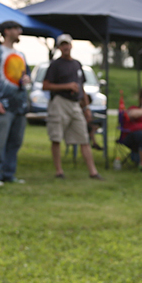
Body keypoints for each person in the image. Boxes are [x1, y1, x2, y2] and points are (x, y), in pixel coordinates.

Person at [43, 33, 103, 180]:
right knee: (56, 137)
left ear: (71, 46)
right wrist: (66, 86)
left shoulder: (77, 64)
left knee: (83, 137)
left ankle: (93, 172)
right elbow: (46, 85)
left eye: (67, 44)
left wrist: (86, 108)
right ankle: (59, 171)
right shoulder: (55, 65)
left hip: (75, 104)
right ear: (59, 47)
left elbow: (81, 87)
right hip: (59, 103)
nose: (65, 47)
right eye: (62, 44)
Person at [0, 20, 31, 185]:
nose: (20, 31)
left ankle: (8, 174)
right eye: (17, 28)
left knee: (15, 142)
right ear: (7, 31)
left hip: (20, 105)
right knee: (0, 142)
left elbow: (27, 76)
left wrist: (27, 79)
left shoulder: (21, 55)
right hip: (3, 105)